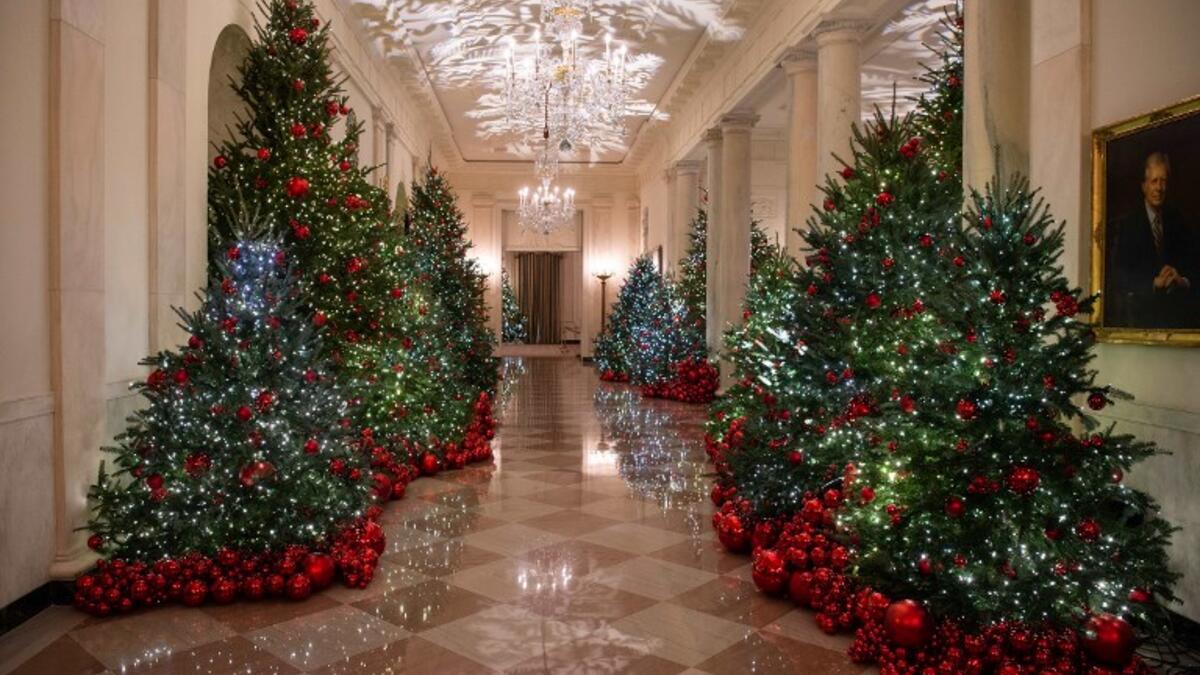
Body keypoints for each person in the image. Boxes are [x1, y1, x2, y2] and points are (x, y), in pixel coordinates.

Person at [1106, 151, 1198, 327]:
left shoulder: (1178, 220)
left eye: (1163, 181)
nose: (1159, 188)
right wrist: (1153, 282)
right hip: (1141, 317)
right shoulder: (1127, 224)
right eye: (1154, 181)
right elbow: (1118, 277)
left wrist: (1181, 280)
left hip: (1178, 317)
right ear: (1144, 186)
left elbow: (1194, 266)